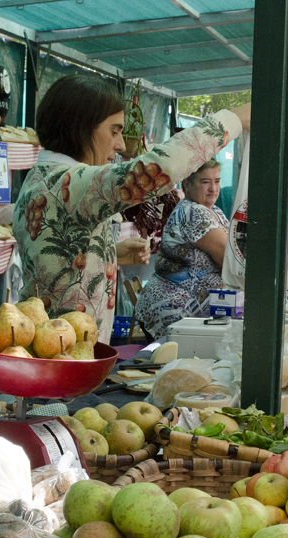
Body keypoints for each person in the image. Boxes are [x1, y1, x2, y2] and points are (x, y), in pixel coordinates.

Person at [17, 75, 250, 343]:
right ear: (81, 127)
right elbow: (159, 168)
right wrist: (234, 119)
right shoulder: (68, 183)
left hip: (61, 347)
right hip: (65, 353)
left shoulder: (42, 178)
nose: (121, 145)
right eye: (114, 131)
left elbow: (54, 258)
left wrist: (107, 254)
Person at [133, 160, 228, 337]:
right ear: (187, 185)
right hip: (173, 312)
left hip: (188, 313)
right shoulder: (193, 212)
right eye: (205, 182)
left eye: (217, 181)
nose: (213, 188)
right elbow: (230, 258)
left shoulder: (214, 210)